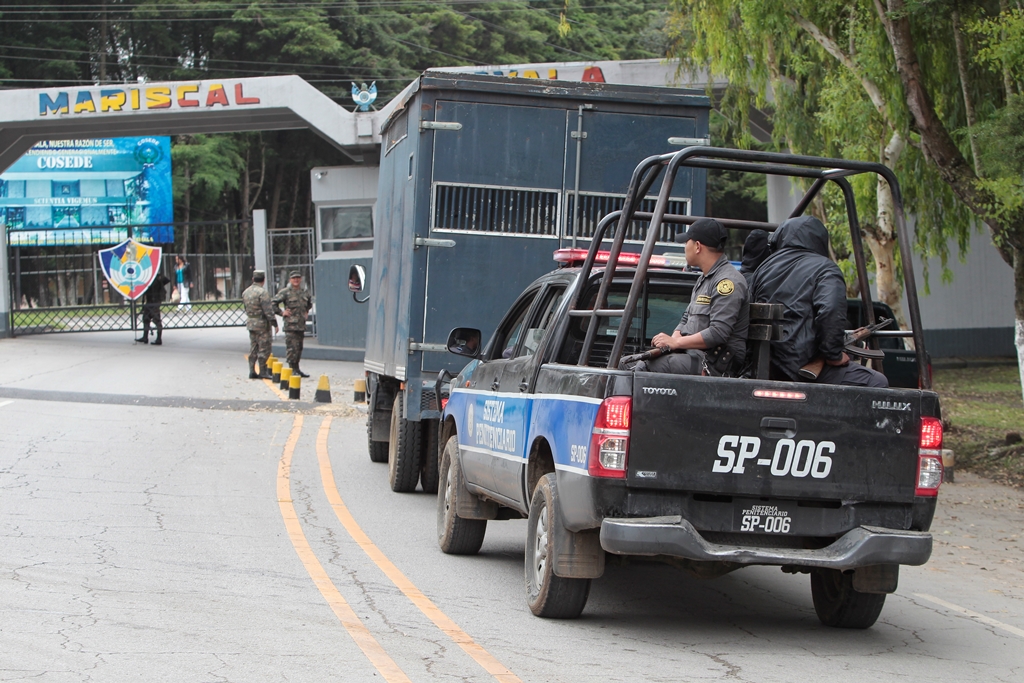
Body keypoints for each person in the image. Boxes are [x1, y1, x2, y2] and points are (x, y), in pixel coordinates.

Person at [750, 215, 888, 388]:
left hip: (765, 366)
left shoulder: (763, 269)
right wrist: (834, 355)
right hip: (801, 367)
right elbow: (830, 311)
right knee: (877, 381)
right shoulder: (825, 268)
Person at [633, 218, 749, 376]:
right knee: (628, 363)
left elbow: (718, 332)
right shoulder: (704, 279)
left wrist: (676, 342)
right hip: (692, 355)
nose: (684, 247)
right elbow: (686, 317)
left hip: (715, 363)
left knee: (641, 369)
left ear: (697, 246)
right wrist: (672, 340)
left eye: (686, 242)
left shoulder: (727, 282)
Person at [272, 271, 313, 378]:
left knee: (299, 348)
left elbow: (309, 303)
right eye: (294, 278)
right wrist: (282, 313)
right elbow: (273, 303)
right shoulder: (285, 292)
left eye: (298, 278)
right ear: (290, 280)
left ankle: (297, 368)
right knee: (292, 348)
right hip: (290, 325)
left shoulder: (304, 292)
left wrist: (306, 311)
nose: (296, 280)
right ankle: (292, 368)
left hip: (300, 325)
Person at [243, 270, 278, 379]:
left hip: (251, 323)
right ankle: (263, 371)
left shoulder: (246, 292)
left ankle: (252, 370)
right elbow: (268, 310)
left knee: (254, 347)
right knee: (264, 348)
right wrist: (274, 323)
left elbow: (246, 308)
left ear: (253, 279)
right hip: (262, 324)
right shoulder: (263, 293)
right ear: (263, 280)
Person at [136, 272, 171, 345]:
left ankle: (159, 339)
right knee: (146, 318)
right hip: (149, 300)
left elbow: (166, 280)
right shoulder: (148, 277)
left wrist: (158, 277)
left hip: (156, 300)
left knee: (156, 319)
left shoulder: (157, 277)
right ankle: (145, 337)